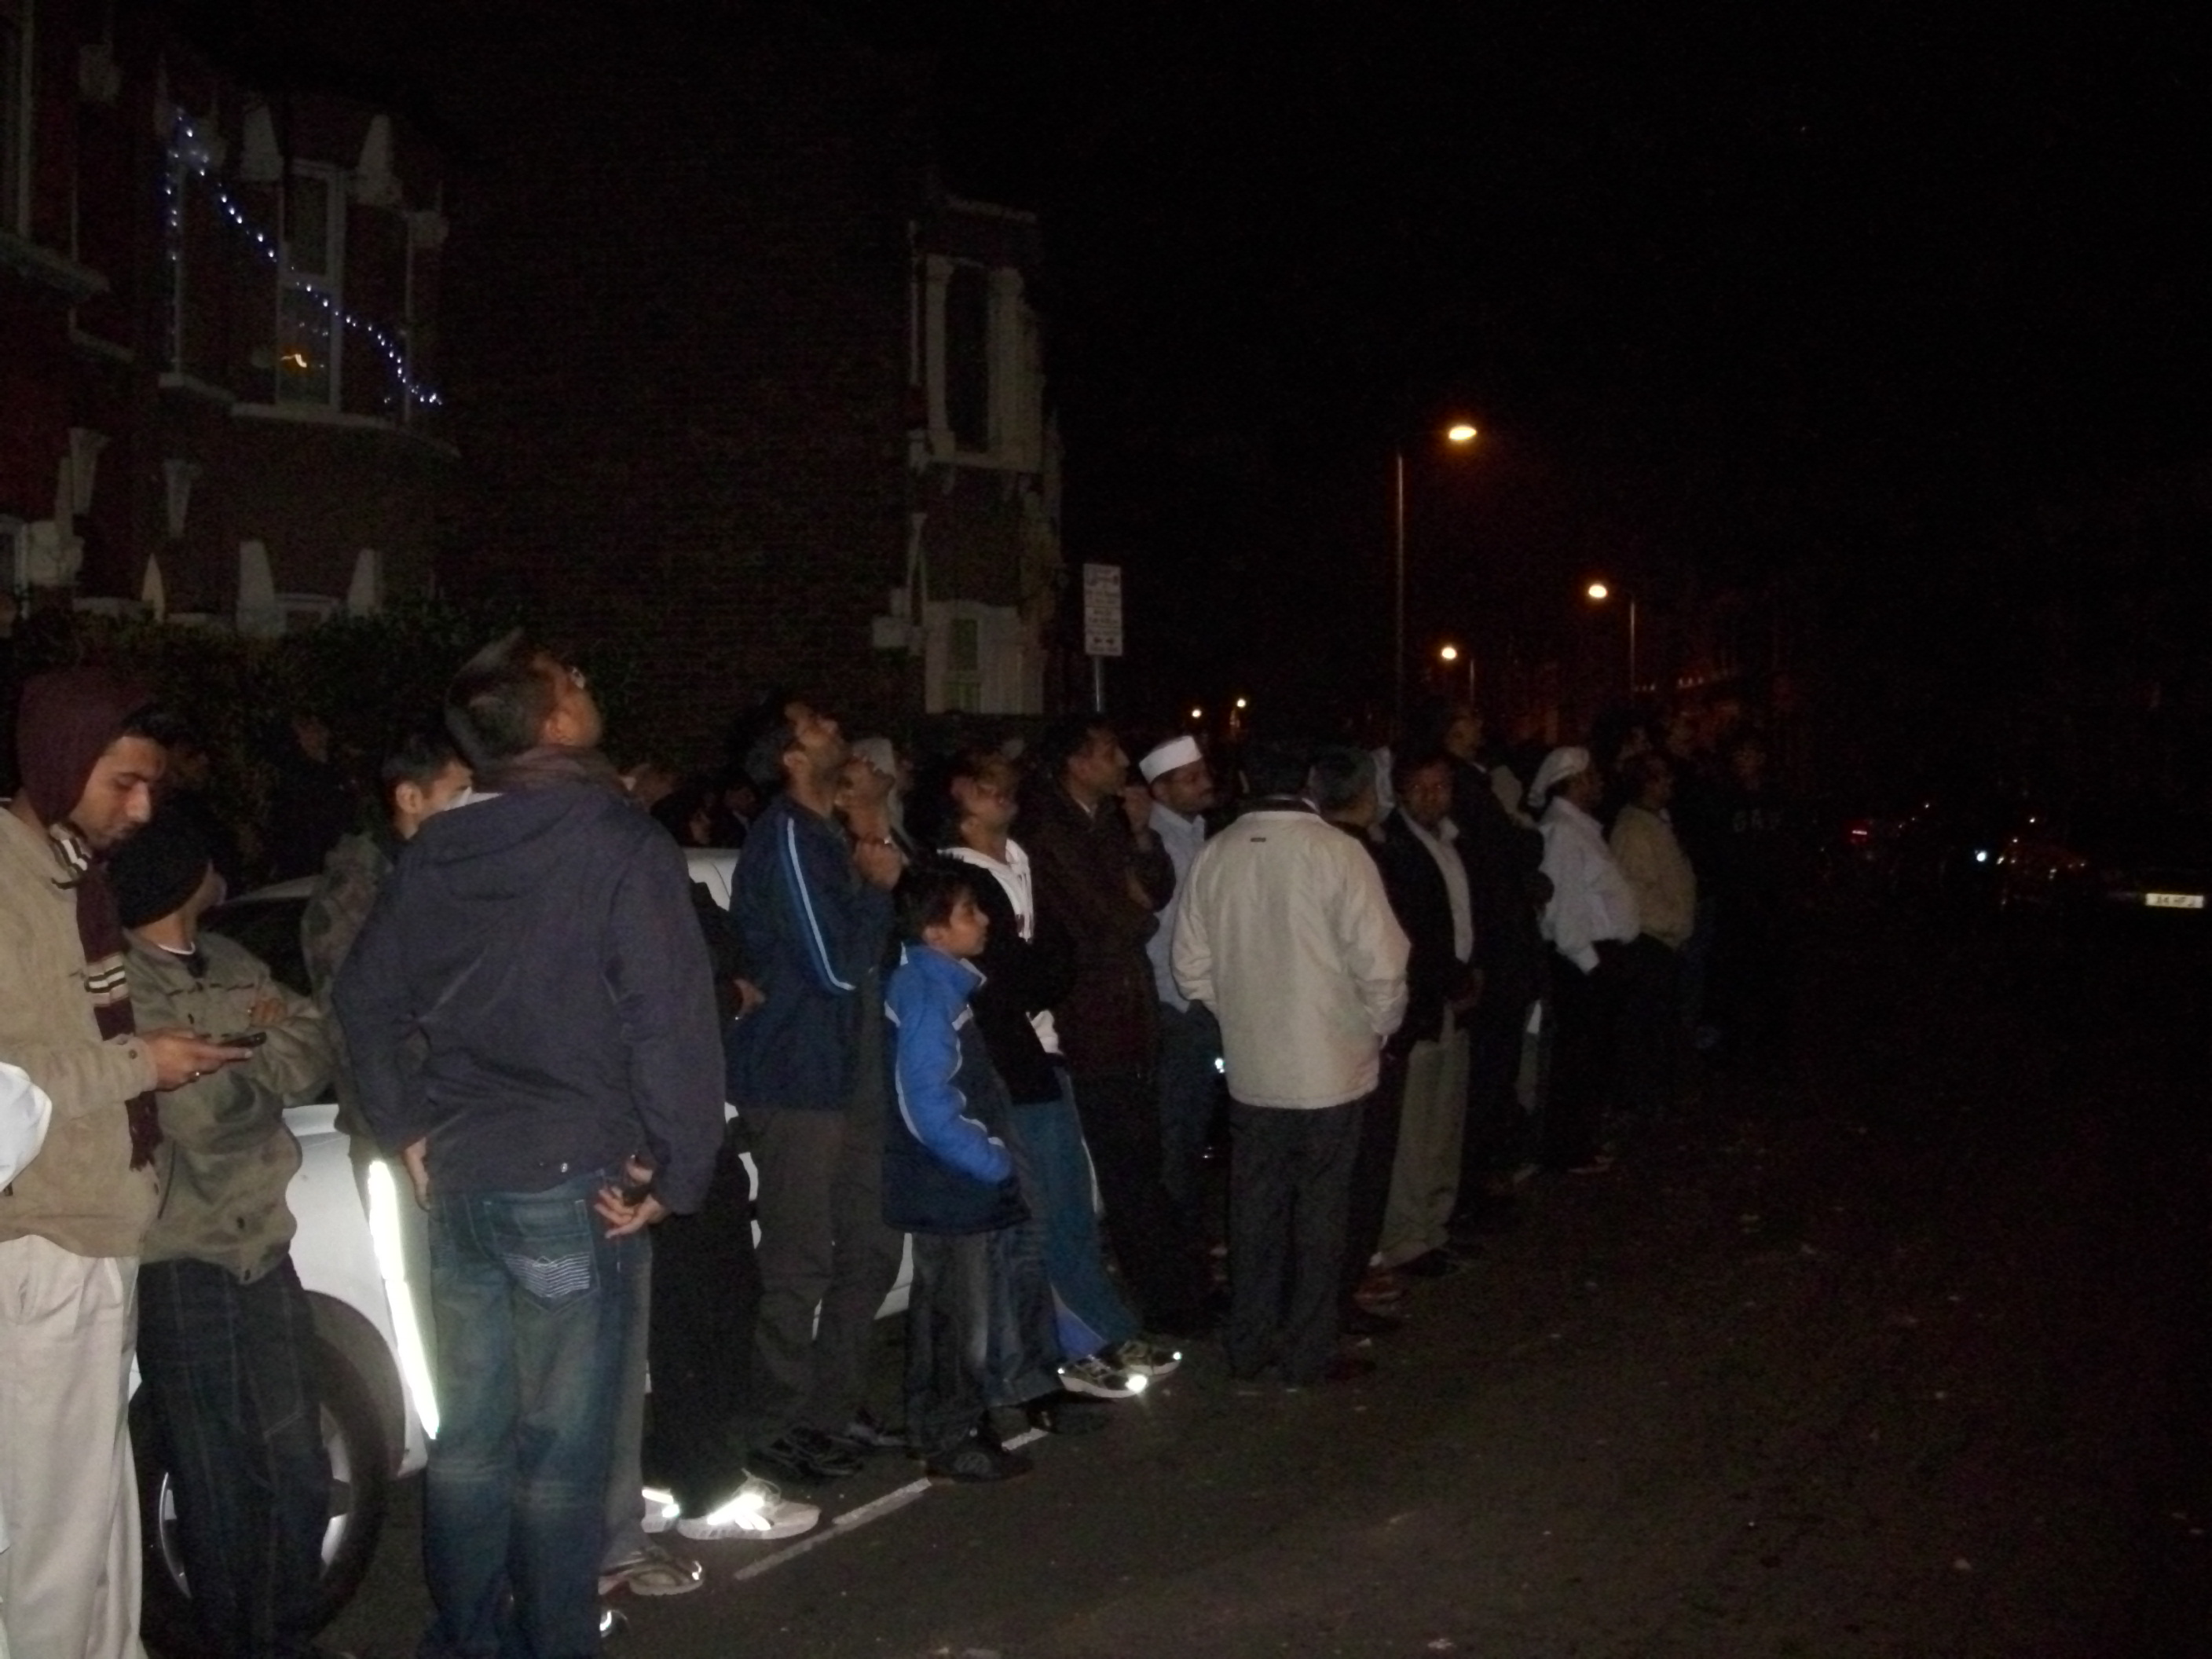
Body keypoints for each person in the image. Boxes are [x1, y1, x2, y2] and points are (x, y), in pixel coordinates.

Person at [335, 634, 735, 1659]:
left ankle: (467, 1637)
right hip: (572, 1179)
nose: (590, 683)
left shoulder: (438, 849)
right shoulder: (616, 841)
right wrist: (674, 1168)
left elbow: (364, 999)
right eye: (574, 679)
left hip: (465, 1178)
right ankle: (555, 1640)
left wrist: (407, 1129)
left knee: (472, 1439)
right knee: (561, 1451)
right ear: (549, 721)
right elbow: (670, 1021)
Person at [1, 668, 251, 1659]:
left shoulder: (69, 877)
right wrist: (140, 1062)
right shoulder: (8, 881)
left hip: (97, 1232)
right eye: (123, 783)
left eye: (152, 785)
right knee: (51, 1540)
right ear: (62, 761)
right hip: (42, 1242)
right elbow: (11, 1079)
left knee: (100, 1519)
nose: (142, 810)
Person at [112, 808, 335, 1659]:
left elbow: (312, 1047)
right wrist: (261, 1047)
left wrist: (234, 1052)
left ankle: (283, 1639)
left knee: (296, 1467)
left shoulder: (231, 959)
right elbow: (201, 1117)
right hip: (182, 1256)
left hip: (263, 1247)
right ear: (184, 875)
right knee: (213, 1482)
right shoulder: (122, 985)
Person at [1174, 741, 1409, 1387]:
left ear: (1244, 777)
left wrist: (1242, 1014)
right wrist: (1376, 1025)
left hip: (1254, 1069)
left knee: (1254, 1211)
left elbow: (1190, 967)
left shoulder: (1217, 853)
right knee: (1322, 1214)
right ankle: (1308, 1351)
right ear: (1308, 778)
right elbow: (1384, 963)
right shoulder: (1337, 852)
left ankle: (1249, 1343)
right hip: (1332, 1066)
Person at [935, 750, 1166, 1397]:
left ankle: (1101, 1329)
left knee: (1071, 1198)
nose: (1001, 793)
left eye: (1005, 784)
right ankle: (1080, 1342)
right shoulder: (956, 878)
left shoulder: (1021, 860)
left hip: (1045, 1047)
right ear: (957, 798)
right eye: (985, 785)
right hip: (1009, 1058)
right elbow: (1007, 973)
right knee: (1050, 1206)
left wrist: (1045, 972)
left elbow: (1059, 951)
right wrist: (1043, 972)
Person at [725, 701, 909, 1486]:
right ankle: (773, 1425)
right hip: (798, 1078)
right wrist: (875, 887)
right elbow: (835, 969)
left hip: (848, 1071)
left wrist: (872, 836)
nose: (835, 729)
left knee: (870, 1247)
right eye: (816, 727)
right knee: (799, 1262)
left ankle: (829, 1408)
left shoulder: (828, 834)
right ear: (791, 759)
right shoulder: (789, 840)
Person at [1024, 715, 1210, 1337]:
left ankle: (1176, 1286)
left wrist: (1140, 838)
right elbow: (1104, 921)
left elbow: (1154, 890)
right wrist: (1135, 906)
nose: (1123, 762)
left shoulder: (1106, 820)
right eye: (1108, 752)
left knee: (1148, 1157)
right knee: (1128, 1164)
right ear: (1076, 763)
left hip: (1131, 1009)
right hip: (1094, 1016)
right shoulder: (1050, 830)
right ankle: (1166, 1299)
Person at [883, 862, 1057, 1481]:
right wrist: (991, 1158)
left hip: (947, 1183)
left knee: (944, 1308)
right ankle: (952, 1433)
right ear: (933, 931)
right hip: (953, 1184)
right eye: (967, 912)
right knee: (962, 1316)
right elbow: (927, 1101)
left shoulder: (932, 985)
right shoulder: (930, 994)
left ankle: (940, 1426)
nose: (983, 920)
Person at [1307, 745, 1411, 1338]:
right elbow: (1383, 956)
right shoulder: (1355, 856)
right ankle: (1336, 1295)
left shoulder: (1316, 851)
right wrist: (1387, 1024)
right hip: (1357, 1039)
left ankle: (1325, 1295)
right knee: (1357, 1175)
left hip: (1321, 1036)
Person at [1372, 751, 1479, 1277]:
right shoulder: (1393, 848)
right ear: (1401, 791)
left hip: (1452, 998)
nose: (1433, 797)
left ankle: (1434, 1224)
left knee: (1443, 1123)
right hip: (1421, 1004)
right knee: (1414, 1129)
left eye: (1441, 786)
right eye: (1422, 787)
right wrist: (1449, 979)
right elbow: (1412, 933)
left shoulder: (1451, 842)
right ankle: (1405, 1237)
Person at [1530, 746, 1640, 1174]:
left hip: (1594, 958)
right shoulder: (1563, 833)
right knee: (1577, 1059)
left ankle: (1581, 1140)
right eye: (1592, 776)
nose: (1599, 783)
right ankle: (1567, 1147)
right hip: (1582, 962)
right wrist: (1593, 965)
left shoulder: (1580, 829)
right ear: (1575, 781)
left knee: (1592, 1057)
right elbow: (1565, 911)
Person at [1138, 734, 1225, 1241]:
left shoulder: (1197, 833)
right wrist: (1184, 1000)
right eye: (1190, 779)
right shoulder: (1161, 840)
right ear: (1161, 790)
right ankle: (1177, 1240)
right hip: (1178, 1003)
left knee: (1193, 1127)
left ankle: (1186, 1236)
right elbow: (1167, 932)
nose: (1204, 784)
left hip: (1198, 1001)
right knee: (1179, 1128)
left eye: (1202, 773)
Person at [1609, 751, 1697, 1120]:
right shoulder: (1634, 830)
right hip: (1650, 940)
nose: (1670, 783)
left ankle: (1655, 1094)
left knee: (1659, 1024)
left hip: (1664, 939)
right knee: (1647, 1026)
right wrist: (1675, 922)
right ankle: (1643, 1098)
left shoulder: (1657, 823)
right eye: (1662, 777)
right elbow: (1637, 893)